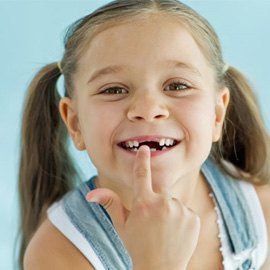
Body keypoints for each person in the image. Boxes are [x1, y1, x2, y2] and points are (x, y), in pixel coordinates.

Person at [19, 0, 270, 269]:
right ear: (75, 123)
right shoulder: (57, 253)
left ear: (217, 114)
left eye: (177, 85)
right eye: (114, 90)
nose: (147, 110)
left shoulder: (262, 214)